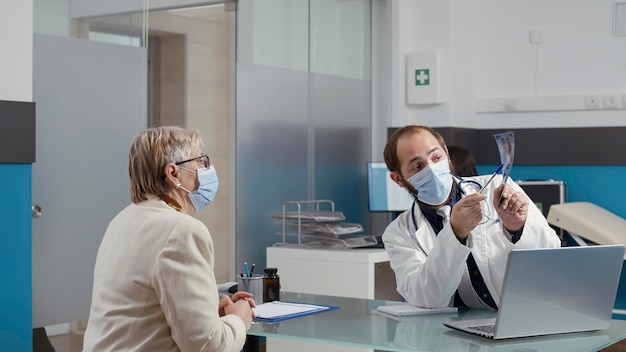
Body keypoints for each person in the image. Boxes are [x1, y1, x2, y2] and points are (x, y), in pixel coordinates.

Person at [82, 126, 255, 352]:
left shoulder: (122, 220)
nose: (208, 169)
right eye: (201, 161)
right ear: (173, 173)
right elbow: (206, 346)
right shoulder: (182, 229)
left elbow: (142, 308)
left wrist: (209, 311)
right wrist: (239, 320)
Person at [381, 125, 560, 310]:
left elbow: (551, 256)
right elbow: (429, 298)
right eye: (418, 166)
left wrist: (516, 228)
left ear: (447, 154)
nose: (432, 170)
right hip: (462, 331)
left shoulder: (497, 188)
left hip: (528, 314)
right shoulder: (399, 234)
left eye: (436, 157)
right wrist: (455, 234)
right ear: (398, 179)